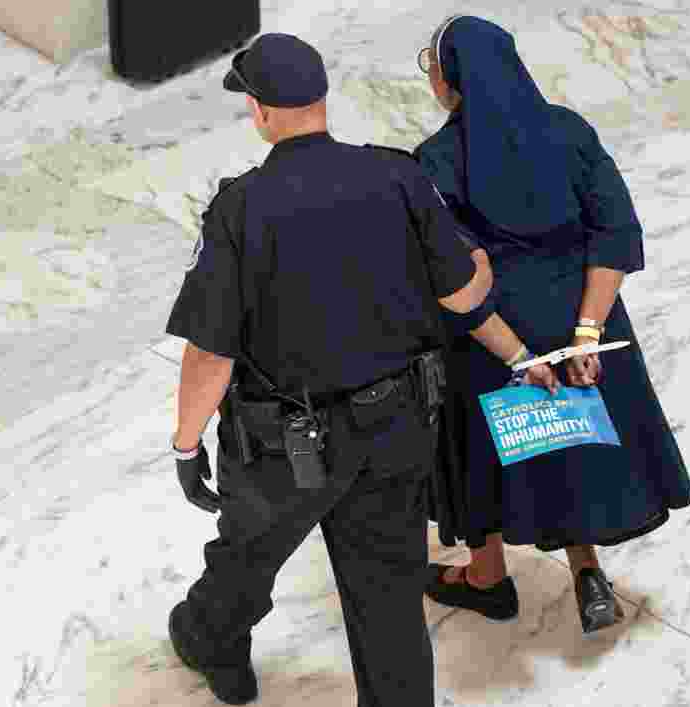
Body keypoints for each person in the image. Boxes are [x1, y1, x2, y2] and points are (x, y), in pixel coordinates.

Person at [163, 32, 555, 707]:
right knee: (389, 600)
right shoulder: (398, 175)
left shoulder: (240, 207)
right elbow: (463, 294)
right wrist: (479, 273)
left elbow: (211, 353)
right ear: (320, 101)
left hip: (283, 450)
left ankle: (214, 642)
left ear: (260, 112)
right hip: (396, 431)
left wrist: (186, 441)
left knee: (249, 552)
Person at [411, 15, 690, 634]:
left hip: (493, 334)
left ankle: (486, 576)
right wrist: (587, 332)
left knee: (483, 448)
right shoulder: (569, 132)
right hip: (583, 316)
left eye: (430, 63)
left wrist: (517, 355)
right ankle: (586, 570)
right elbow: (614, 234)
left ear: (451, 78)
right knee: (577, 439)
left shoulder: (434, 161)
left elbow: (451, 276)